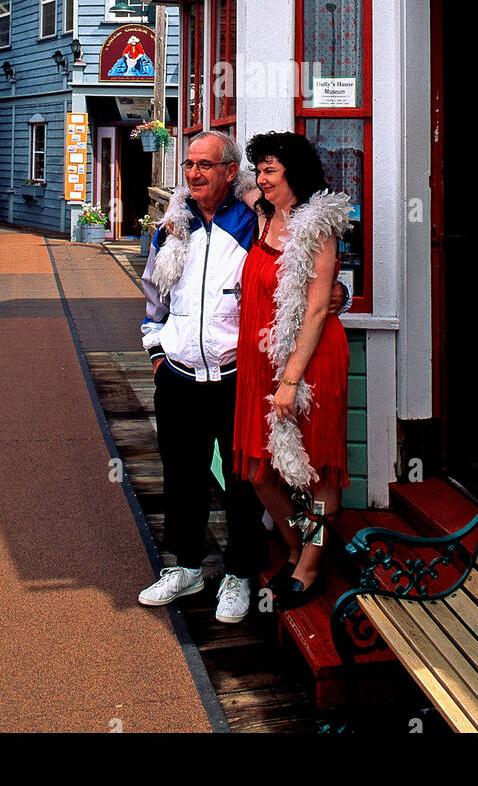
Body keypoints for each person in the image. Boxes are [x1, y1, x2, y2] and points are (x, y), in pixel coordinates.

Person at [137, 131, 264, 623]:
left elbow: (295, 265)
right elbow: (154, 294)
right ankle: (185, 567)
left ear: (231, 172)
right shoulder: (173, 226)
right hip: (179, 374)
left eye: (205, 165)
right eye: (188, 164)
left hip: (236, 375)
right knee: (182, 473)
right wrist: (156, 352)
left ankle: (239, 572)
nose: (193, 173)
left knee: (241, 479)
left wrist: (334, 293)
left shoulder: (253, 221)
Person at [234, 131, 352, 609]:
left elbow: (320, 307)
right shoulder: (265, 215)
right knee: (262, 471)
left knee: (318, 469)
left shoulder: (315, 227)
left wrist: (291, 380)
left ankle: (310, 564)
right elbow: (213, 188)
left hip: (311, 360)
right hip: (261, 357)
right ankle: (296, 545)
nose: (261, 179)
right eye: (258, 170)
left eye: (270, 171)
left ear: (294, 175)